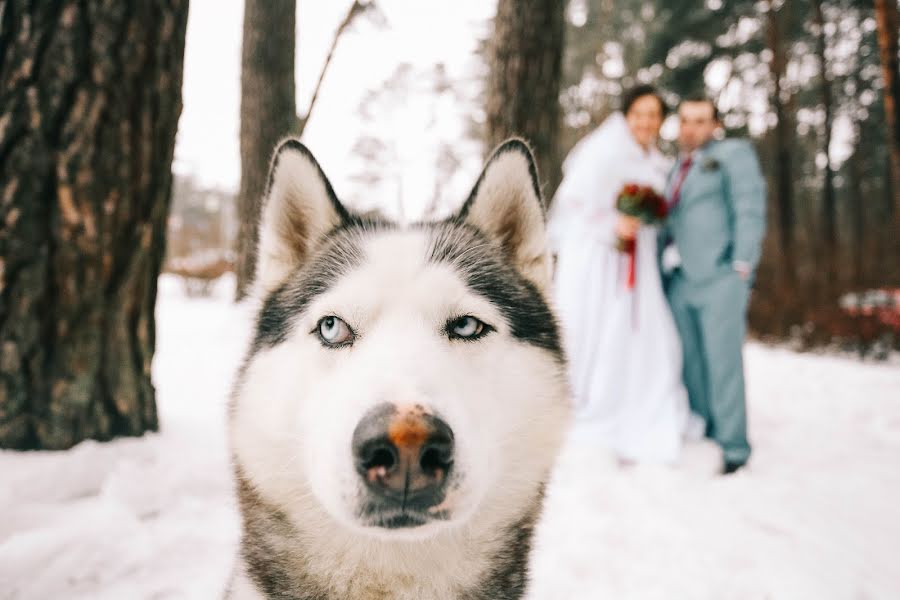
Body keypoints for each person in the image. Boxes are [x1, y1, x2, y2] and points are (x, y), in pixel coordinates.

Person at [548, 85, 693, 464]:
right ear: (627, 116)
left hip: (636, 258)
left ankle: (640, 401)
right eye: (639, 114)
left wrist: (641, 223)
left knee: (643, 328)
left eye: (653, 115)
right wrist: (615, 224)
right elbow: (574, 203)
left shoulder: (656, 160)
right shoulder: (604, 151)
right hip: (598, 255)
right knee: (597, 324)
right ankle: (590, 401)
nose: (646, 122)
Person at [659, 96, 766, 475]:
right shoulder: (674, 168)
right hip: (680, 281)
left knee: (724, 364)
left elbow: (749, 206)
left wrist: (741, 265)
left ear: (715, 124)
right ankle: (708, 434)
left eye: (701, 121)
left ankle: (734, 447)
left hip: (720, 277)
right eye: (686, 121)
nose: (692, 128)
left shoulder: (732, 154)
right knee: (692, 364)